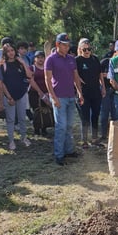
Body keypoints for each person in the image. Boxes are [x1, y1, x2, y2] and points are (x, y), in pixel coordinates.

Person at [45, 33, 84, 166]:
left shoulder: (71, 59)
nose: (67, 47)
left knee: (69, 125)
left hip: (70, 96)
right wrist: (53, 97)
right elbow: (48, 80)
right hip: (59, 97)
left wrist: (79, 92)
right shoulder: (50, 59)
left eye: (68, 45)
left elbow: (76, 76)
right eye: (64, 45)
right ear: (58, 45)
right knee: (61, 126)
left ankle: (69, 150)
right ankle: (59, 154)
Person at [0, 43, 33, 150]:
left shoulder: (20, 63)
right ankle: (11, 141)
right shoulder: (2, 65)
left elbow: (29, 75)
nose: (11, 53)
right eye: (8, 51)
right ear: (5, 53)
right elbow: (2, 83)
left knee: (22, 118)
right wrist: (9, 97)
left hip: (21, 94)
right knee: (10, 120)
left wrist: (23, 62)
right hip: (9, 96)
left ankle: (23, 137)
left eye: (12, 50)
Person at [75, 38, 106, 147]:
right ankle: (84, 140)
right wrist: (78, 82)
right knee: (85, 116)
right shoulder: (77, 60)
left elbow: (100, 74)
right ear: (80, 49)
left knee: (95, 115)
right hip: (83, 92)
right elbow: (74, 74)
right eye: (84, 49)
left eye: (89, 49)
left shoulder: (95, 59)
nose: (87, 51)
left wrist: (103, 87)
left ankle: (94, 138)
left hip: (96, 91)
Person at [28, 51, 53, 136]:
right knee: (37, 111)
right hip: (34, 93)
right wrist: (39, 92)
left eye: (42, 57)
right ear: (35, 59)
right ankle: (36, 128)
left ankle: (44, 127)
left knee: (45, 110)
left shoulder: (47, 67)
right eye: (38, 57)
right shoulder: (32, 68)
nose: (40, 59)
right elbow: (31, 80)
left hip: (47, 92)